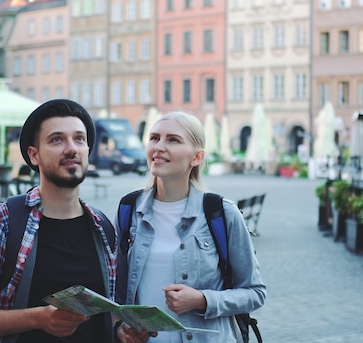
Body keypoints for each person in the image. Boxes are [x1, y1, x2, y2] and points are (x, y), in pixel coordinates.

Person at [0, 99, 118, 343]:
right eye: (57, 139)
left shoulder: (102, 227)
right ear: (34, 155)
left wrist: (122, 329)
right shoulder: (3, 222)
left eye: (79, 139)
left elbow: (103, 316)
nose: (71, 148)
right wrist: (38, 318)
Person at [114, 111, 267, 343]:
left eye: (173, 140)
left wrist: (203, 300)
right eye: (154, 138)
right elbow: (116, 289)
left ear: (196, 157)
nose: (159, 146)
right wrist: (120, 327)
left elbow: (255, 293)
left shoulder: (221, 212)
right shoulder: (128, 210)